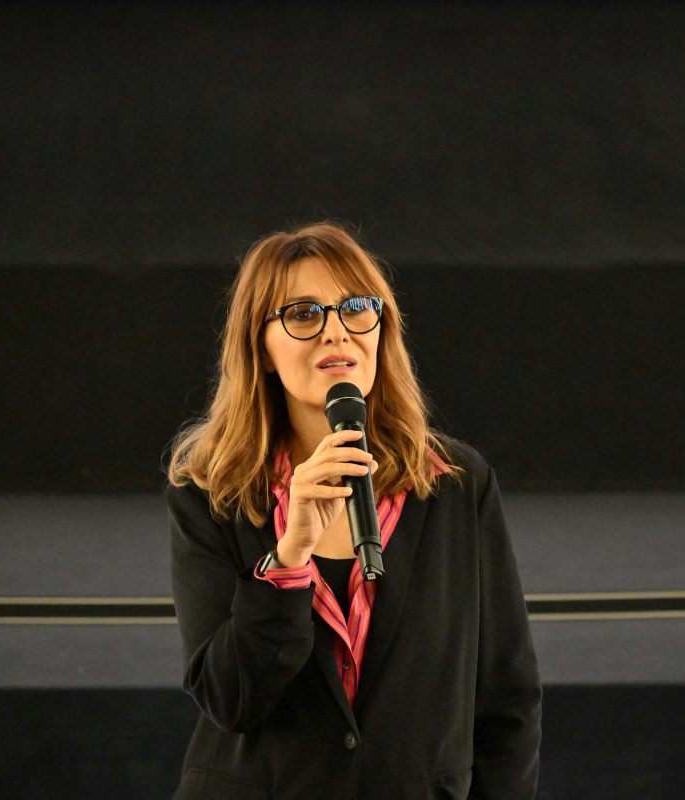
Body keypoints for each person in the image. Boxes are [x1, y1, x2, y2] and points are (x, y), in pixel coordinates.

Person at [164, 221, 541, 799]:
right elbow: (230, 699)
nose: (336, 332)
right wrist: (289, 556)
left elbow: (506, 698)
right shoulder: (211, 490)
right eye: (303, 314)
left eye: (357, 308)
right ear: (260, 349)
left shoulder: (456, 484)